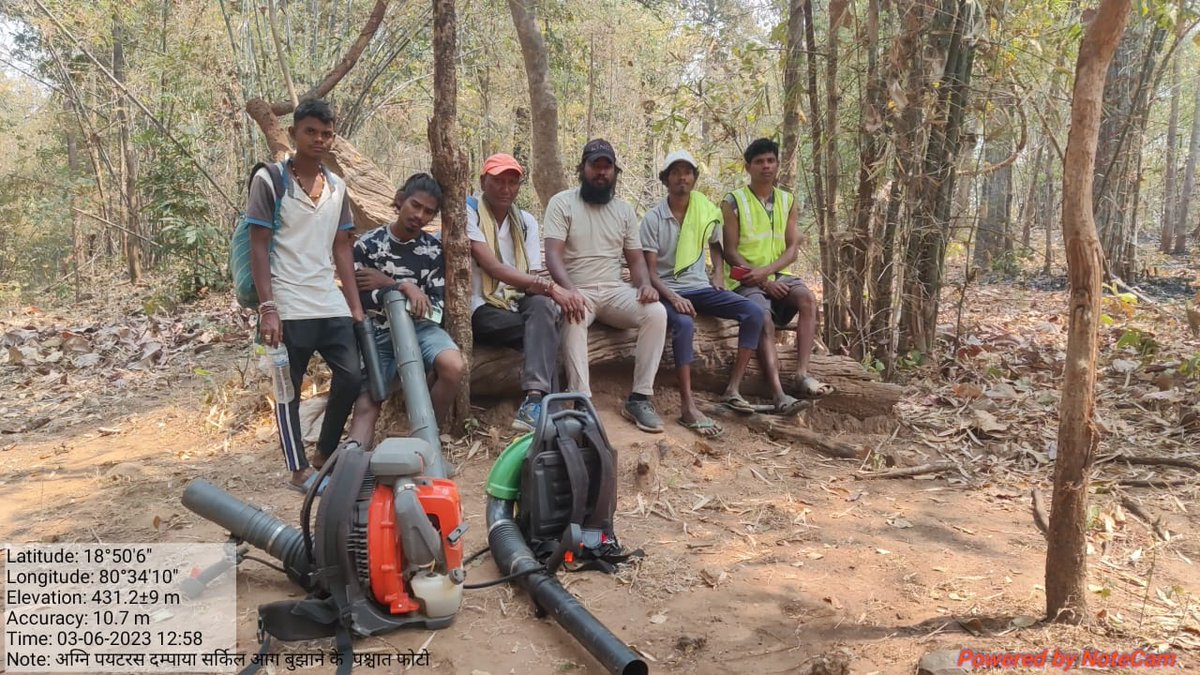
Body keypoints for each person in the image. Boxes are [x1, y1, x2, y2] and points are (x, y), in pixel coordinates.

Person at [246, 99, 364, 493]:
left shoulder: (337, 187)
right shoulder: (270, 180)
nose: (319, 139)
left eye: (326, 133)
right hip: (287, 302)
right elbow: (258, 245)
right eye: (311, 131)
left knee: (351, 377)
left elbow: (342, 247)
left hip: (326, 299)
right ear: (294, 132)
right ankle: (298, 469)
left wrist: (354, 305)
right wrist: (268, 308)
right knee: (288, 389)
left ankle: (324, 452)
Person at [641, 150, 803, 436]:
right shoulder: (653, 218)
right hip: (667, 289)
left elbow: (716, 243)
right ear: (666, 179)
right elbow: (650, 273)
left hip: (699, 286)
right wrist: (674, 297)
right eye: (675, 172)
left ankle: (733, 388)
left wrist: (717, 272)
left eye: (687, 172)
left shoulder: (703, 209)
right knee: (683, 323)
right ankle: (687, 405)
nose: (682, 177)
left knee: (752, 312)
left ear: (694, 177)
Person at [543, 139, 668, 433]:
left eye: (606, 167)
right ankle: (581, 401)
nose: (601, 173)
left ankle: (639, 397)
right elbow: (552, 255)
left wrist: (645, 286)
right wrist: (569, 290)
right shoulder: (562, 202)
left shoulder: (624, 211)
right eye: (595, 166)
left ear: (614, 172)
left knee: (656, 313)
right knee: (573, 317)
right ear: (582, 169)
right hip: (577, 287)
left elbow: (636, 261)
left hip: (614, 290)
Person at [347, 174, 465, 446]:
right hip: (378, 333)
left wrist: (391, 284)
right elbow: (360, 300)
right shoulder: (368, 245)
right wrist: (407, 289)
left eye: (428, 212)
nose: (419, 216)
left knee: (453, 366)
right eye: (415, 205)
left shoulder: (433, 251)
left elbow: (436, 310)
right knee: (370, 399)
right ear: (400, 200)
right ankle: (353, 462)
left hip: (422, 330)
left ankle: (424, 439)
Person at [721, 138, 832, 399]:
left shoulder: (787, 200)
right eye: (759, 162)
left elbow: (793, 248)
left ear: (778, 165)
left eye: (771, 160)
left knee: (807, 299)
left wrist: (769, 273)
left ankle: (801, 374)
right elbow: (730, 251)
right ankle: (777, 392)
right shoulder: (733, 202)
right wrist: (761, 280)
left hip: (777, 273)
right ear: (748, 167)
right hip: (743, 278)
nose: (766, 166)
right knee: (763, 317)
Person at [466, 153, 568, 431]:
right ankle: (553, 407)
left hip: (515, 302)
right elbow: (492, 266)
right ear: (483, 181)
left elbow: (530, 276)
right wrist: (551, 287)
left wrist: (545, 292)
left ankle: (535, 400)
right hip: (481, 306)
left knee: (544, 310)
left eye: (513, 182)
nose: (506, 188)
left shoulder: (525, 222)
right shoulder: (469, 211)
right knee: (544, 329)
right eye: (498, 181)